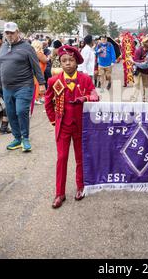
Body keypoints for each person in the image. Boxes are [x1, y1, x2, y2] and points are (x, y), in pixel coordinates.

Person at [45, 45, 99, 208]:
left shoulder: (85, 79)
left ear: (76, 62)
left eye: (71, 60)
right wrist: (54, 120)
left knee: (80, 157)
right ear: (60, 63)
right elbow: (48, 103)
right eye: (64, 60)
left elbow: (96, 96)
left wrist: (86, 97)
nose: (68, 63)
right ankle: (59, 193)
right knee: (61, 158)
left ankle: (80, 186)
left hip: (81, 126)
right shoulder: (54, 81)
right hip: (63, 126)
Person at [0, 22, 45, 152]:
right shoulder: (3, 47)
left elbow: (36, 66)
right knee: (11, 114)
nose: (10, 35)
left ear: (17, 32)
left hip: (24, 86)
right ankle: (17, 138)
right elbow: (1, 68)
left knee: (21, 111)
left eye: (12, 32)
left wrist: (41, 84)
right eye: (7, 33)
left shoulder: (27, 47)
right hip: (7, 88)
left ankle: (25, 138)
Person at [131, 35, 148, 102]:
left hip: (146, 71)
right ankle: (133, 100)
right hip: (138, 70)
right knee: (136, 84)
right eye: (147, 41)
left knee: (146, 85)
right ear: (143, 43)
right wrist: (144, 61)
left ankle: (145, 99)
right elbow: (135, 60)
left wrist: (147, 61)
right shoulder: (139, 50)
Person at [31, 40, 48, 105]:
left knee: (36, 84)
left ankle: (36, 98)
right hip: (39, 70)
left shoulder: (33, 52)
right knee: (37, 84)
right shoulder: (38, 53)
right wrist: (48, 57)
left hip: (36, 70)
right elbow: (45, 60)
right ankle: (36, 98)